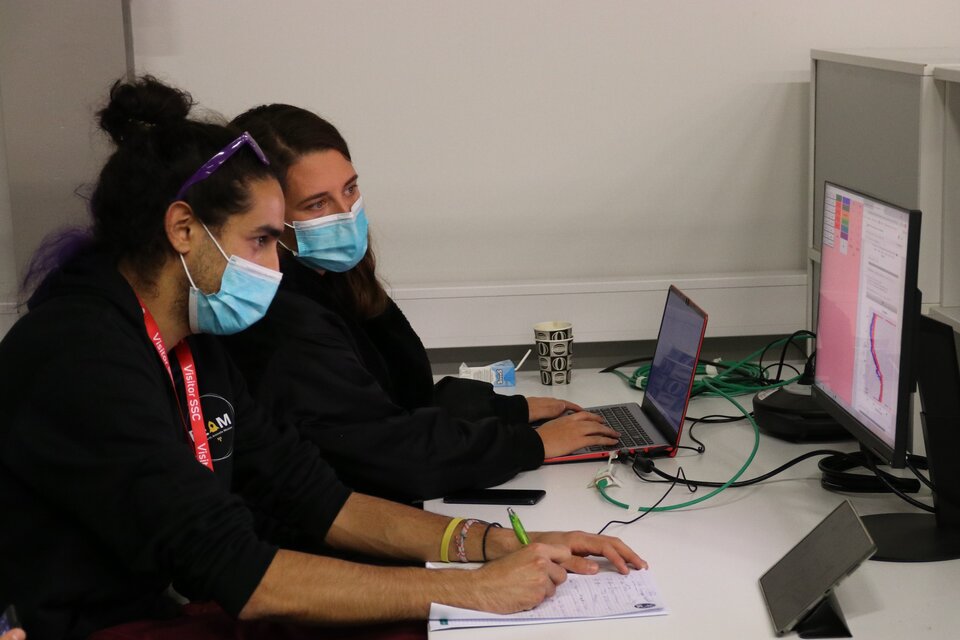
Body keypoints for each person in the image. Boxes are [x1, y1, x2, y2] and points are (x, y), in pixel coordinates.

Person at [0, 77, 645, 640]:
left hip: (179, 606)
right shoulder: (80, 358)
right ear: (183, 230)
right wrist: (472, 590)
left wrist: (490, 544)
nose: (278, 266)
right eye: (260, 240)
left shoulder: (191, 344)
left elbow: (315, 496)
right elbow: (240, 574)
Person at [221, 105, 620, 502]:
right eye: (317, 205)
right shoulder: (284, 318)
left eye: (350, 189)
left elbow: (404, 401)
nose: (346, 214)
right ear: (269, 216)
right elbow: (389, 451)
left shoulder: (338, 279)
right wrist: (530, 446)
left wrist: (510, 411)